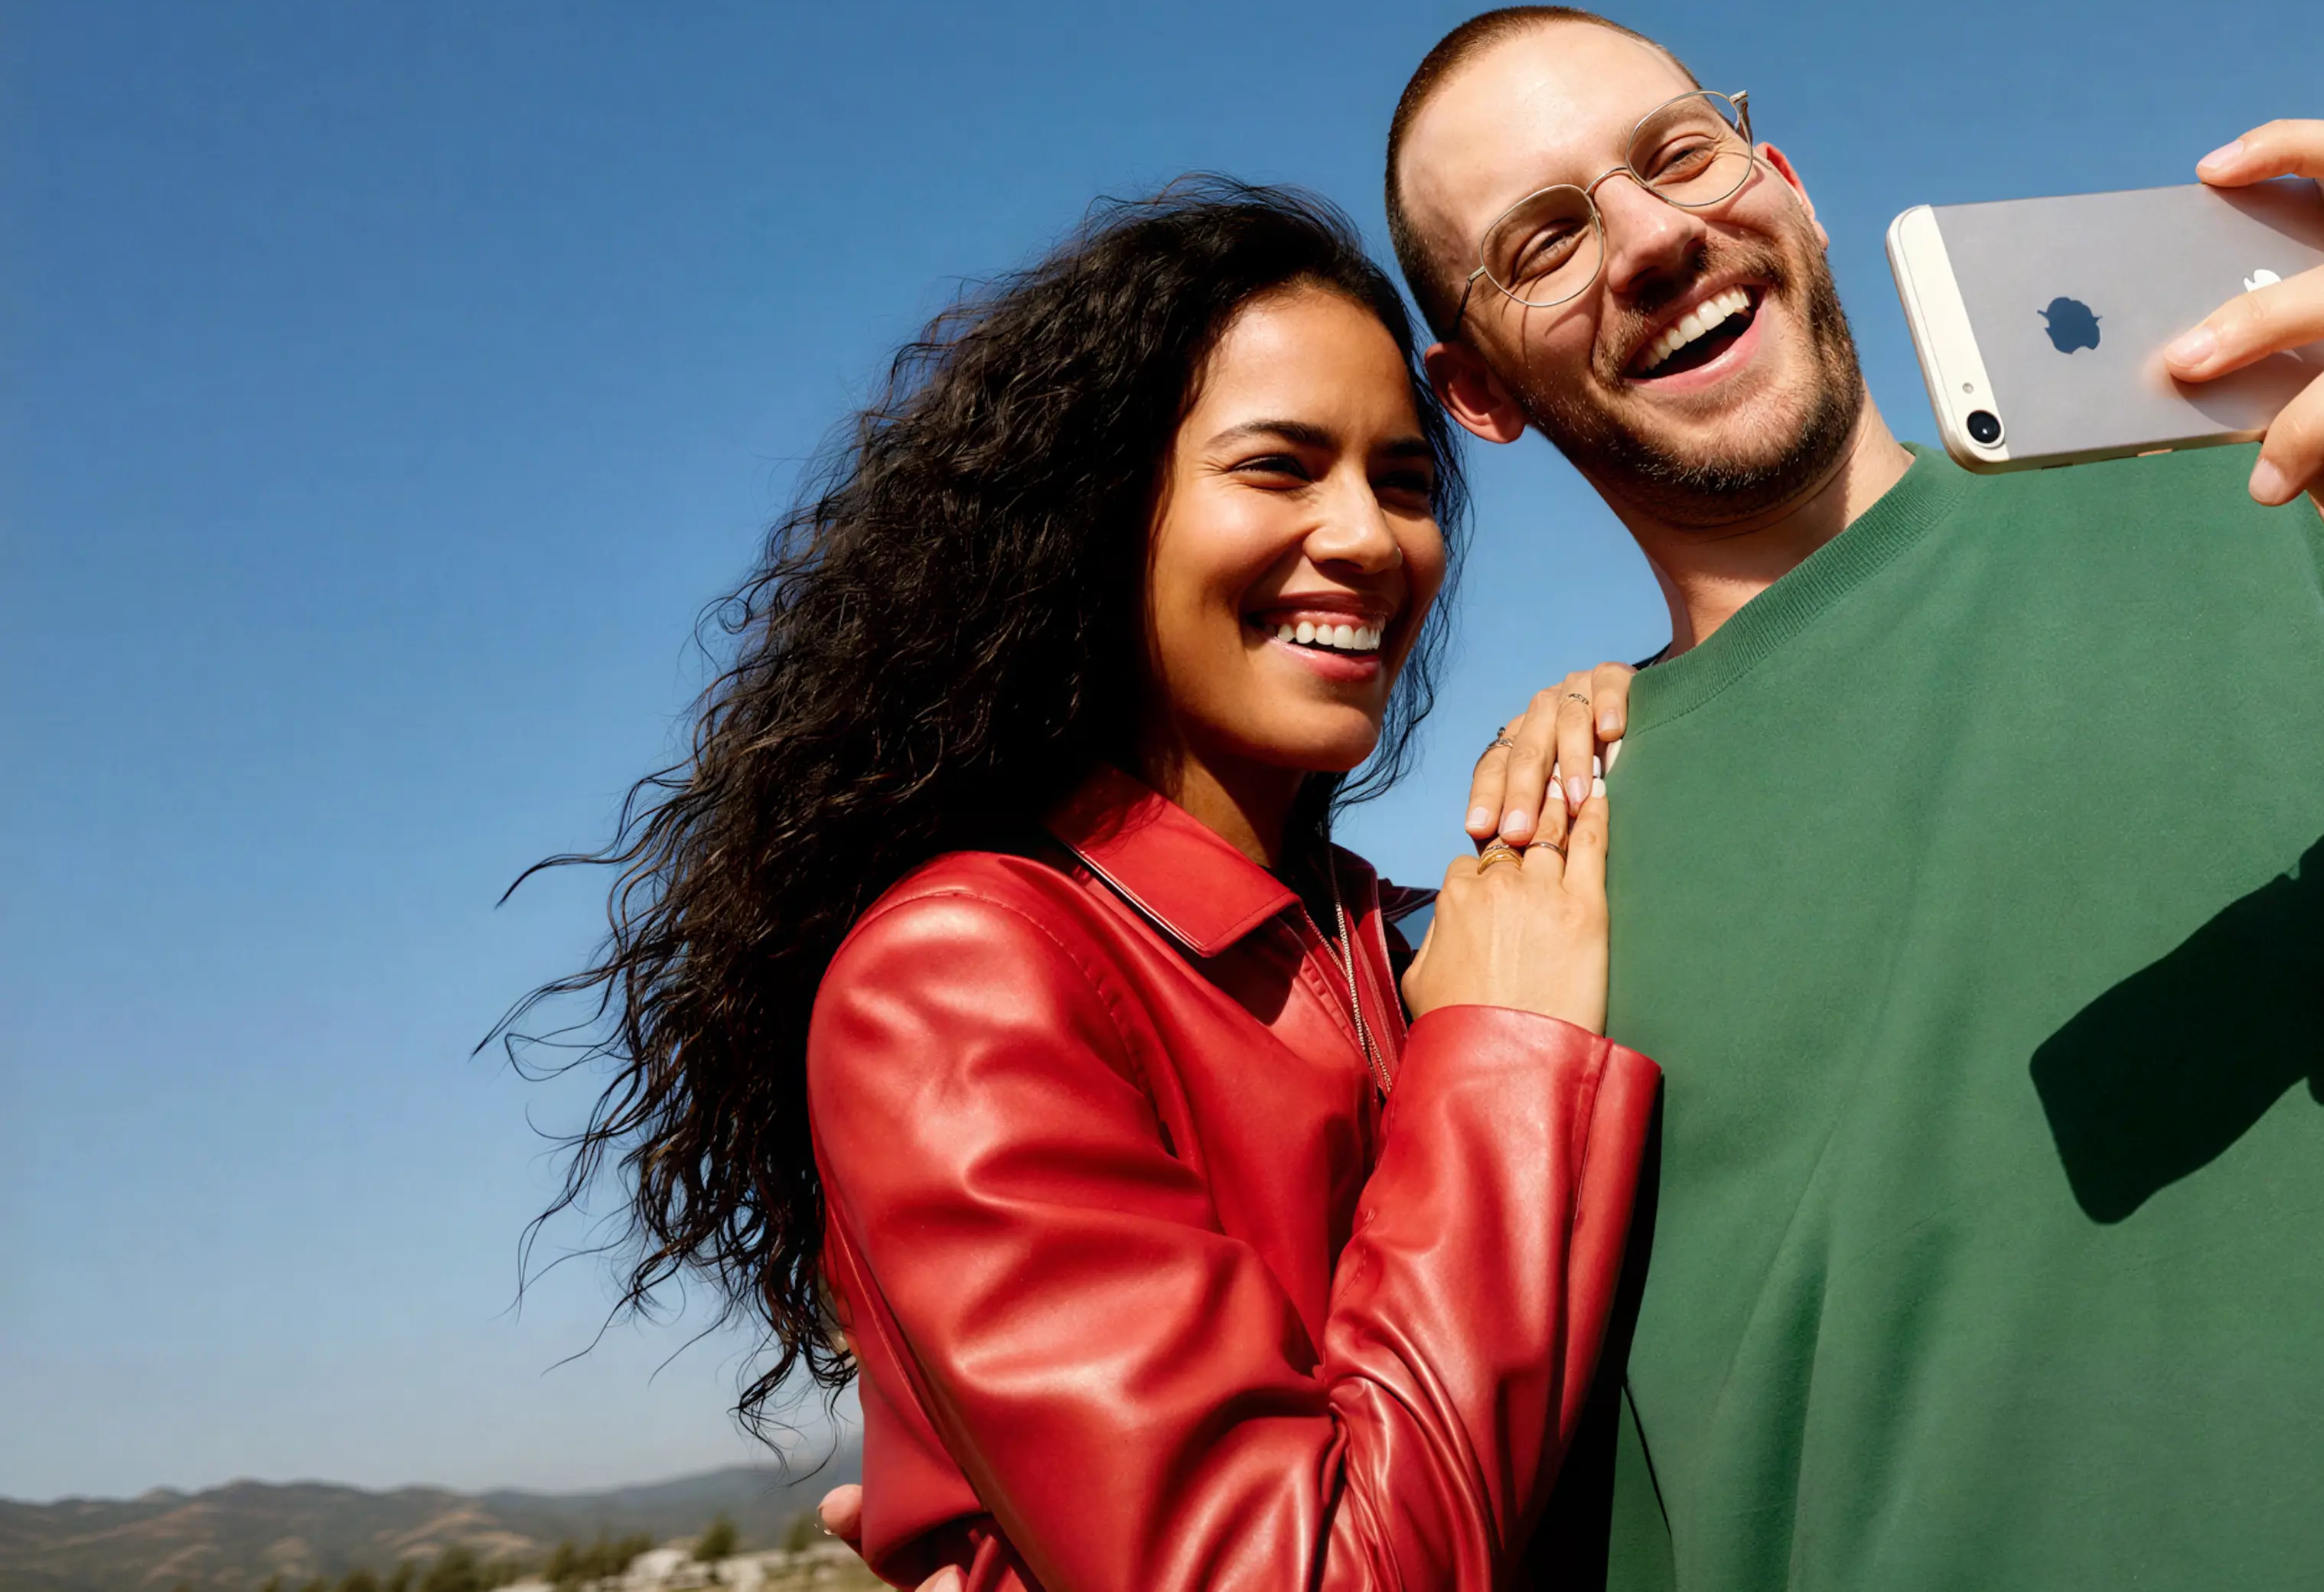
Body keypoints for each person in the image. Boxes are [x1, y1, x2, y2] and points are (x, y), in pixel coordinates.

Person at [1378, 8, 2324, 1590]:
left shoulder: (2308, 514)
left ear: (1780, 179)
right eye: (1543, 241)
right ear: (1476, 394)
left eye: (1676, 155)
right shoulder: (1533, 912)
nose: (1650, 237)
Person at [514, 183, 1655, 1592]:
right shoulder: (965, 972)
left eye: (1405, 481)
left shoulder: (1391, 937)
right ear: (1101, 518)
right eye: (1280, 467)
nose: (1368, 536)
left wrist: (1644, 717)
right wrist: (1506, 1069)